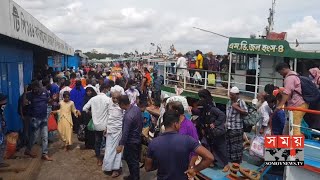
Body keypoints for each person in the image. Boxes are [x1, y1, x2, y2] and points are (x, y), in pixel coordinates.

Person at [145, 110, 214, 179]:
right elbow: (209, 157)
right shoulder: (187, 140)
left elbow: (147, 168)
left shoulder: (153, 143)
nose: (180, 125)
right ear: (175, 124)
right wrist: (194, 170)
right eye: (179, 123)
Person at [197, 90, 228, 169]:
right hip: (208, 131)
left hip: (216, 131)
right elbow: (202, 118)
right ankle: (212, 161)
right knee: (209, 146)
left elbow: (222, 115)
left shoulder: (211, 108)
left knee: (221, 147)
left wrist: (215, 123)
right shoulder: (203, 107)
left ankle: (225, 164)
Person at [275, 62, 308, 135]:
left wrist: (280, 105)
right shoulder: (295, 76)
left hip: (297, 104)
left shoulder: (289, 78)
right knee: (290, 125)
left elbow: (287, 92)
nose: (280, 74)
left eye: (280, 72)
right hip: (299, 104)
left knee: (294, 126)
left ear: (283, 69)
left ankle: (296, 146)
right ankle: (286, 143)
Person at [83, 84, 111, 166]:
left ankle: (99, 159)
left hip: (96, 124)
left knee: (97, 142)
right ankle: (107, 159)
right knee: (107, 143)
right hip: (105, 125)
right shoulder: (108, 99)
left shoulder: (93, 99)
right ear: (105, 90)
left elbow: (84, 108)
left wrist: (91, 113)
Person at [116, 95, 143, 180]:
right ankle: (133, 176)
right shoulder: (136, 109)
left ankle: (135, 177)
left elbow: (125, 132)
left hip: (131, 141)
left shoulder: (128, 116)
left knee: (132, 161)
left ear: (122, 104)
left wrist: (121, 145)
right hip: (137, 138)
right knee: (132, 160)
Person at [25, 81, 53, 161]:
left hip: (44, 117)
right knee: (34, 137)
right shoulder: (30, 94)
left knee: (45, 136)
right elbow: (24, 102)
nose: (34, 91)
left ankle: (44, 154)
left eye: (36, 89)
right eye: (33, 89)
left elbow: (49, 101)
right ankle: (28, 150)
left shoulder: (45, 92)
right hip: (35, 119)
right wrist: (25, 91)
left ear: (39, 87)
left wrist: (52, 100)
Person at [166, 101, 199, 168]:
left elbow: (195, 149)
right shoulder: (171, 123)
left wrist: (191, 165)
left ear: (176, 111)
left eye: (170, 111)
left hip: (184, 163)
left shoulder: (189, 126)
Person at [224, 87, 248, 171]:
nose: (230, 96)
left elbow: (246, 113)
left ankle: (236, 165)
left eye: (232, 95)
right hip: (229, 128)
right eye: (230, 94)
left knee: (236, 147)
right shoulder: (229, 102)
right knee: (229, 146)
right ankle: (230, 164)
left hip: (237, 128)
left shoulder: (241, 102)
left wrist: (236, 108)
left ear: (237, 95)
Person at [102, 92, 124, 178]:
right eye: (113, 98)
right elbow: (109, 117)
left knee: (118, 151)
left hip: (118, 131)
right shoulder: (109, 105)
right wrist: (106, 128)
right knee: (109, 150)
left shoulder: (122, 108)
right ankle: (108, 167)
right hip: (110, 131)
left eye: (116, 98)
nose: (114, 100)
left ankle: (116, 169)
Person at [0, 93, 9, 168]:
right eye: (4, 100)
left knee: (3, 145)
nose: (5, 101)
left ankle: (1, 161)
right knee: (2, 145)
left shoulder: (1, 109)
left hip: (2, 131)